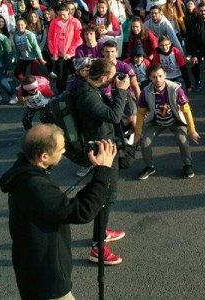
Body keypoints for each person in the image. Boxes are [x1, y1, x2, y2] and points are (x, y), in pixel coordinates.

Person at [0, 126, 117, 300]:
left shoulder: (24, 170)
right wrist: (103, 171)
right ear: (43, 156)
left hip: (31, 269)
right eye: (61, 149)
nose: (64, 152)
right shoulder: (35, 186)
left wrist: (97, 172)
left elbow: (66, 206)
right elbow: (82, 211)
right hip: (47, 278)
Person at [72, 58, 129, 264]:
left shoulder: (89, 89)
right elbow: (114, 115)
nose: (116, 79)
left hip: (105, 145)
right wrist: (122, 90)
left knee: (105, 193)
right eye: (113, 76)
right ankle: (98, 246)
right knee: (107, 195)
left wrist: (117, 90)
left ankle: (101, 230)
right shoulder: (88, 96)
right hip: (101, 149)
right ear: (103, 77)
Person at [134, 64, 200, 180]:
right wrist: (138, 134)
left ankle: (187, 165)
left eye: (160, 76)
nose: (158, 79)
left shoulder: (176, 89)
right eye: (154, 77)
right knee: (145, 143)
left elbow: (186, 110)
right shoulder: (145, 92)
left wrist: (192, 129)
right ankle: (150, 167)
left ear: (165, 75)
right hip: (156, 121)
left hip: (175, 121)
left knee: (182, 140)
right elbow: (140, 113)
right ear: (149, 77)